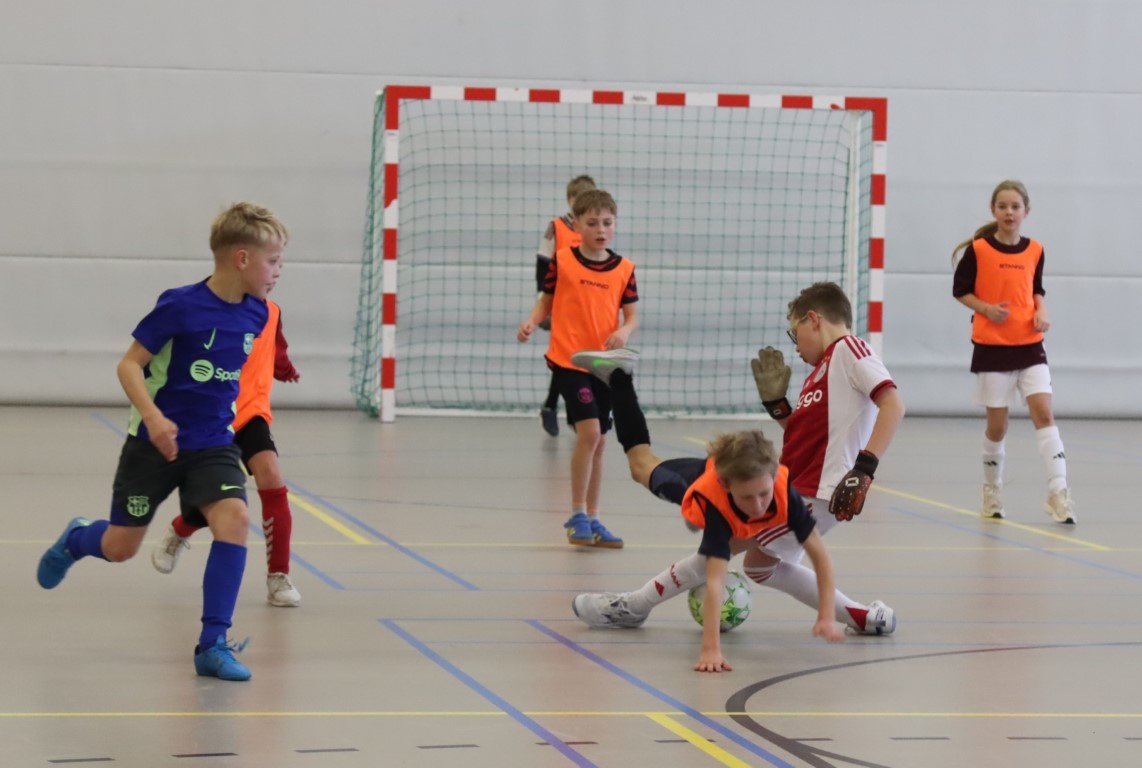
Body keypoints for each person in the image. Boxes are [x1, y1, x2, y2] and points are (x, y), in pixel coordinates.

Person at [35, 201, 288, 682]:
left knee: (235, 519)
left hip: (213, 444)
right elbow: (129, 365)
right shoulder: (180, 306)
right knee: (120, 547)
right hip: (153, 445)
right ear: (241, 258)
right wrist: (153, 417)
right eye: (273, 261)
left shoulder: (257, 314)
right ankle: (76, 538)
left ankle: (213, 644)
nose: (279, 272)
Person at [574, 282, 902, 646]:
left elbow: (892, 404)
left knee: (724, 544)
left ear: (814, 319)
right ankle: (864, 617)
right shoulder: (822, 370)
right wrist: (779, 406)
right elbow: (808, 437)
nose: (795, 346)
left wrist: (863, 470)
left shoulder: (849, 349)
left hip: (817, 491)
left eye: (794, 333)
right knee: (760, 567)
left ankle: (634, 605)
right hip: (795, 486)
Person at [568, 350, 845, 672]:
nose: (758, 505)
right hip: (695, 483)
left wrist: (826, 614)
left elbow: (820, 556)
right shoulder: (717, 506)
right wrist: (711, 650)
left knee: (647, 465)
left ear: (774, 477)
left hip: (734, 483)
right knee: (640, 465)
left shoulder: (784, 496)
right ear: (726, 486)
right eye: (747, 498)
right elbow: (715, 582)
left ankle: (619, 377)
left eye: (763, 494)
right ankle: (619, 376)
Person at [151, 297, 303, 608]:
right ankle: (180, 529)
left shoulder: (272, 312)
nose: (274, 275)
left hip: (250, 413)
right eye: (269, 269)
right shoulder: (209, 307)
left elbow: (274, 350)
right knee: (221, 495)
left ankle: (278, 575)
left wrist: (285, 369)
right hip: (212, 412)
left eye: (277, 270)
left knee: (271, 475)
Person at [517, 189, 637, 548]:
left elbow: (632, 316)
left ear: (615, 225)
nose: (601, 229)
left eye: (607, 222)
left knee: (600, 443)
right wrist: (532, 320)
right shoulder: (564, 261)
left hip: (605, 365)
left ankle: (594, 517)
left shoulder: (624, 269)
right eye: (592, 223)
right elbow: (547, 301)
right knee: (590, 434)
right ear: (578, 226)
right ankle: (576, 514)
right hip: (570, 361)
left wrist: (624, 331)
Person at [951, 180, 1074, 524]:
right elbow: (960, 290)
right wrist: (986, 309)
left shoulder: (1035, 249)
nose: (1009, 212)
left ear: (1026, 212)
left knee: (1044, 414)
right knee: (998, 427)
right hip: (993, 349)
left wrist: (1042, 310)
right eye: (1003, 206)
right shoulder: (979, 250)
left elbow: (1036, 289)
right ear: (993, 210)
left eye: (1015, 206)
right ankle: (991, 489)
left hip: (1030, 345)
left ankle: (1059, 493)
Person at [534, 174, 597, 436]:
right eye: (578, 198)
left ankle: (566, 409)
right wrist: (543, 302)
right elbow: (542, 264)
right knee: (565, 358)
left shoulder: (593, 229)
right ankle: (556, 407)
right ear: (570, 200)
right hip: (560, 302)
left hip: (585, 303)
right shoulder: (557, 228)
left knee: (581, 358)